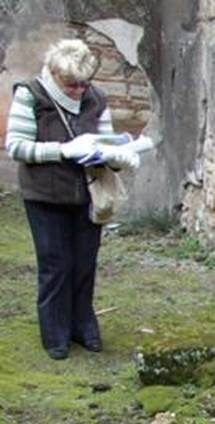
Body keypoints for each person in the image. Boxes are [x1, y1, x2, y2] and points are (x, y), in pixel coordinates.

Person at [4, 38, 138, 360]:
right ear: (54, 73)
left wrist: (120, 155)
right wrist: (62, 151)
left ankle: (83, 326)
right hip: (44, 195)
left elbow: (106, 142)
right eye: (71, 85)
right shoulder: (31, 94)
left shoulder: (95, 98)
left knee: (84, 263)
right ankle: (55, 334)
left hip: (87, 194)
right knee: (55, 264)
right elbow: (16, 146)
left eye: (84, 84)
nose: (79, 91)